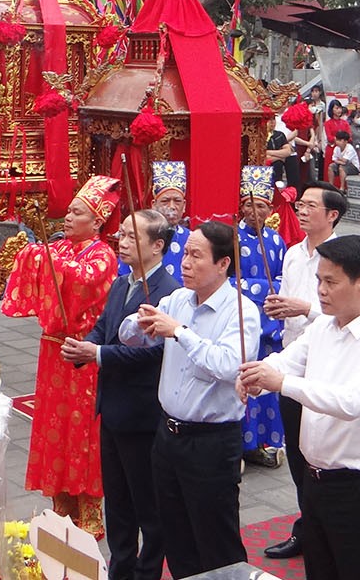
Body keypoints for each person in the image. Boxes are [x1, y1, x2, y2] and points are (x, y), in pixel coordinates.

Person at [241, 235, 360, 580]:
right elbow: (285, 361)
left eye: (331, 282)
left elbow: (352, 402)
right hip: (315, 480)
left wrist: (281, 383)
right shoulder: (323, 328)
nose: (321, 290)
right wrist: (255, 377)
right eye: (319, 280)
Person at [119, 222, 260, 579]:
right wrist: (140, 323)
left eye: (196, 256)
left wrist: (180, 332)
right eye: (185, 253)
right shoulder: (177, 299)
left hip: (211, 442)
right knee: (176, 536)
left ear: (223, 263)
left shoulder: (240, 310)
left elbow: (229, 366)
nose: (185, 263)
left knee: (217, 542)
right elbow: (131, 337)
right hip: (167, 437)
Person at [1, 176, 120, 534]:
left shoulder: (103, 256)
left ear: (96, 221)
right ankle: (60, 505)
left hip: (81, 355)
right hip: (53, 352)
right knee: (55, 425)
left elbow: (83, 283)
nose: (67, 218)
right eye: (68, 211)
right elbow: (47, 273)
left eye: (76, 212)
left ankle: (91, 514)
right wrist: (38, 256)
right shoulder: (63, 249)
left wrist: (45, 259)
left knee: (83, 431)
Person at [63, 209, 177, 580]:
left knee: (149, 506)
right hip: (110, 409)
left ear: (157, 245)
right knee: (118, 503)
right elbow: (102, 327)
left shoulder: (168, 294)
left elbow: (156, 352)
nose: (121, 242)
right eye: (122, 235)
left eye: (131, 237)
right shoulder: (120, 283)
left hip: (142, 413)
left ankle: (147, 572)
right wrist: (85, 346)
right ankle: (121, 568)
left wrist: (97, 354)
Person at [261, 181, 348, 561]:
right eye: (302, 203)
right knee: (297, 454)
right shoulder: (294, 253)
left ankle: (327, 528)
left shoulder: (345, 256)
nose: (302, 209)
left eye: (312, 205)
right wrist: (278, 308)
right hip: (292, 360)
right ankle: (307, 528)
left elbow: (345, 314)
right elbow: (290, 302)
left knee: (321, 456)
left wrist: (305, 309)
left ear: (332, 215)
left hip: (327, 367)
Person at [237, 166, 288, 467]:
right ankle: (242, 444)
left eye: (261, 206)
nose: (254, 211)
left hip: (271, 322)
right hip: (246, 321)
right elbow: (229, 281)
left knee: (268, 387)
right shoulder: (232, 238)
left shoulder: (276, 240)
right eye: (249, 205)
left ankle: (265, 443)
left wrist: (267, 290)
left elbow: (283, 280)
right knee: (246, 382)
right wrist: (261, 288)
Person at [147, 160, 190, 282]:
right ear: (154, 205)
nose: (172, 206)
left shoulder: (192, 239)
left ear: (184, 205)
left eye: (177, 201)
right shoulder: (143, 238)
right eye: (165, 201)